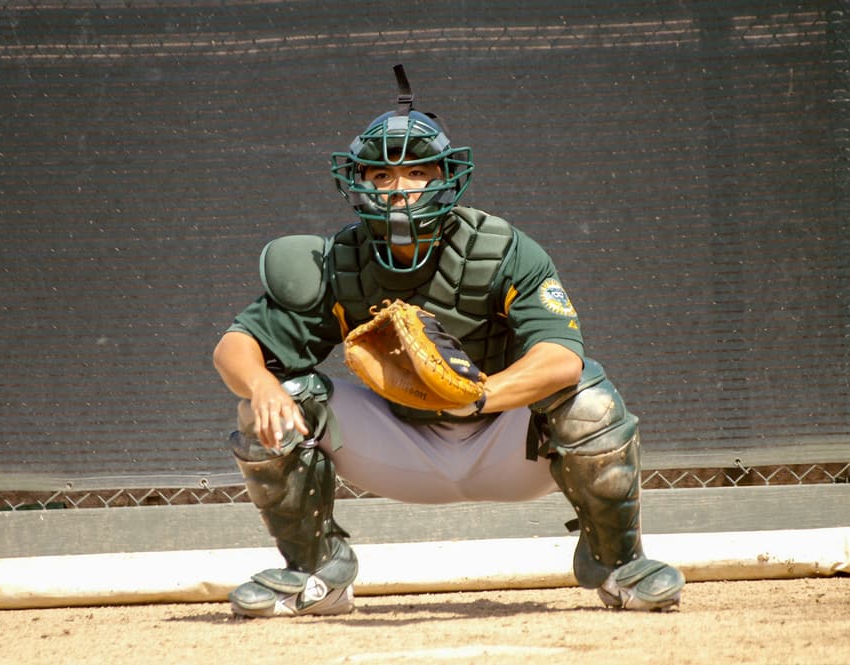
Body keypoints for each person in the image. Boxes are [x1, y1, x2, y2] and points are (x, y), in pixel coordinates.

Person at [212, 66, 685, 617]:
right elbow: (233, 345)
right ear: (357, 184)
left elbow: (561, 358)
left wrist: (478, 395)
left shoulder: (502, 249)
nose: (399, 190)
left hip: (506, 442)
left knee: (589, 399)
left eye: (416, 171)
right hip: (396, 446)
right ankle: (316, 576)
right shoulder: (334, 262)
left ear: (445, 178)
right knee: (270, 402)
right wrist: (264, 385)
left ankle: (620, 564)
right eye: (381, 176)